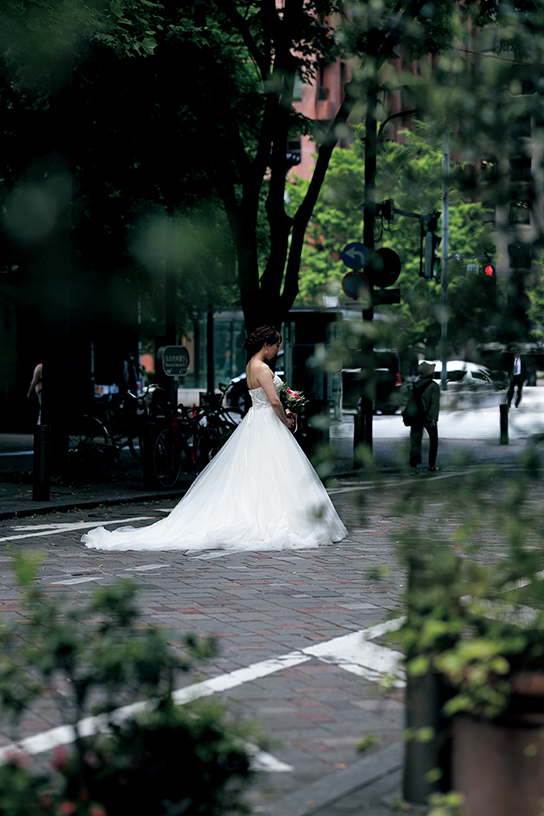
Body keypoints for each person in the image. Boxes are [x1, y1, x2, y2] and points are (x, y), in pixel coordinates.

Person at [82, 325, 347, 553]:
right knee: (274, 473)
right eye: (276, 345)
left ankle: (262, 515)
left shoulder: (249, 366)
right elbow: (274, 400)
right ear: (266, 345)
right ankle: (271, 521)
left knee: (255, 473)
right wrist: (287, 420)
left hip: (255, 420)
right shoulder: (263, 369)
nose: (277, 350)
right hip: (267, 421)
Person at [407, 361, 440, 474]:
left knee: (415, 443)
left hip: (416, 418)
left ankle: (413, 466)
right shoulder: (434, 386)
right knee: (433, 441)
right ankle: (431, 465)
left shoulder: (416, 385)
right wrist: (433, 418)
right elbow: (434, 403)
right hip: (428, 418)